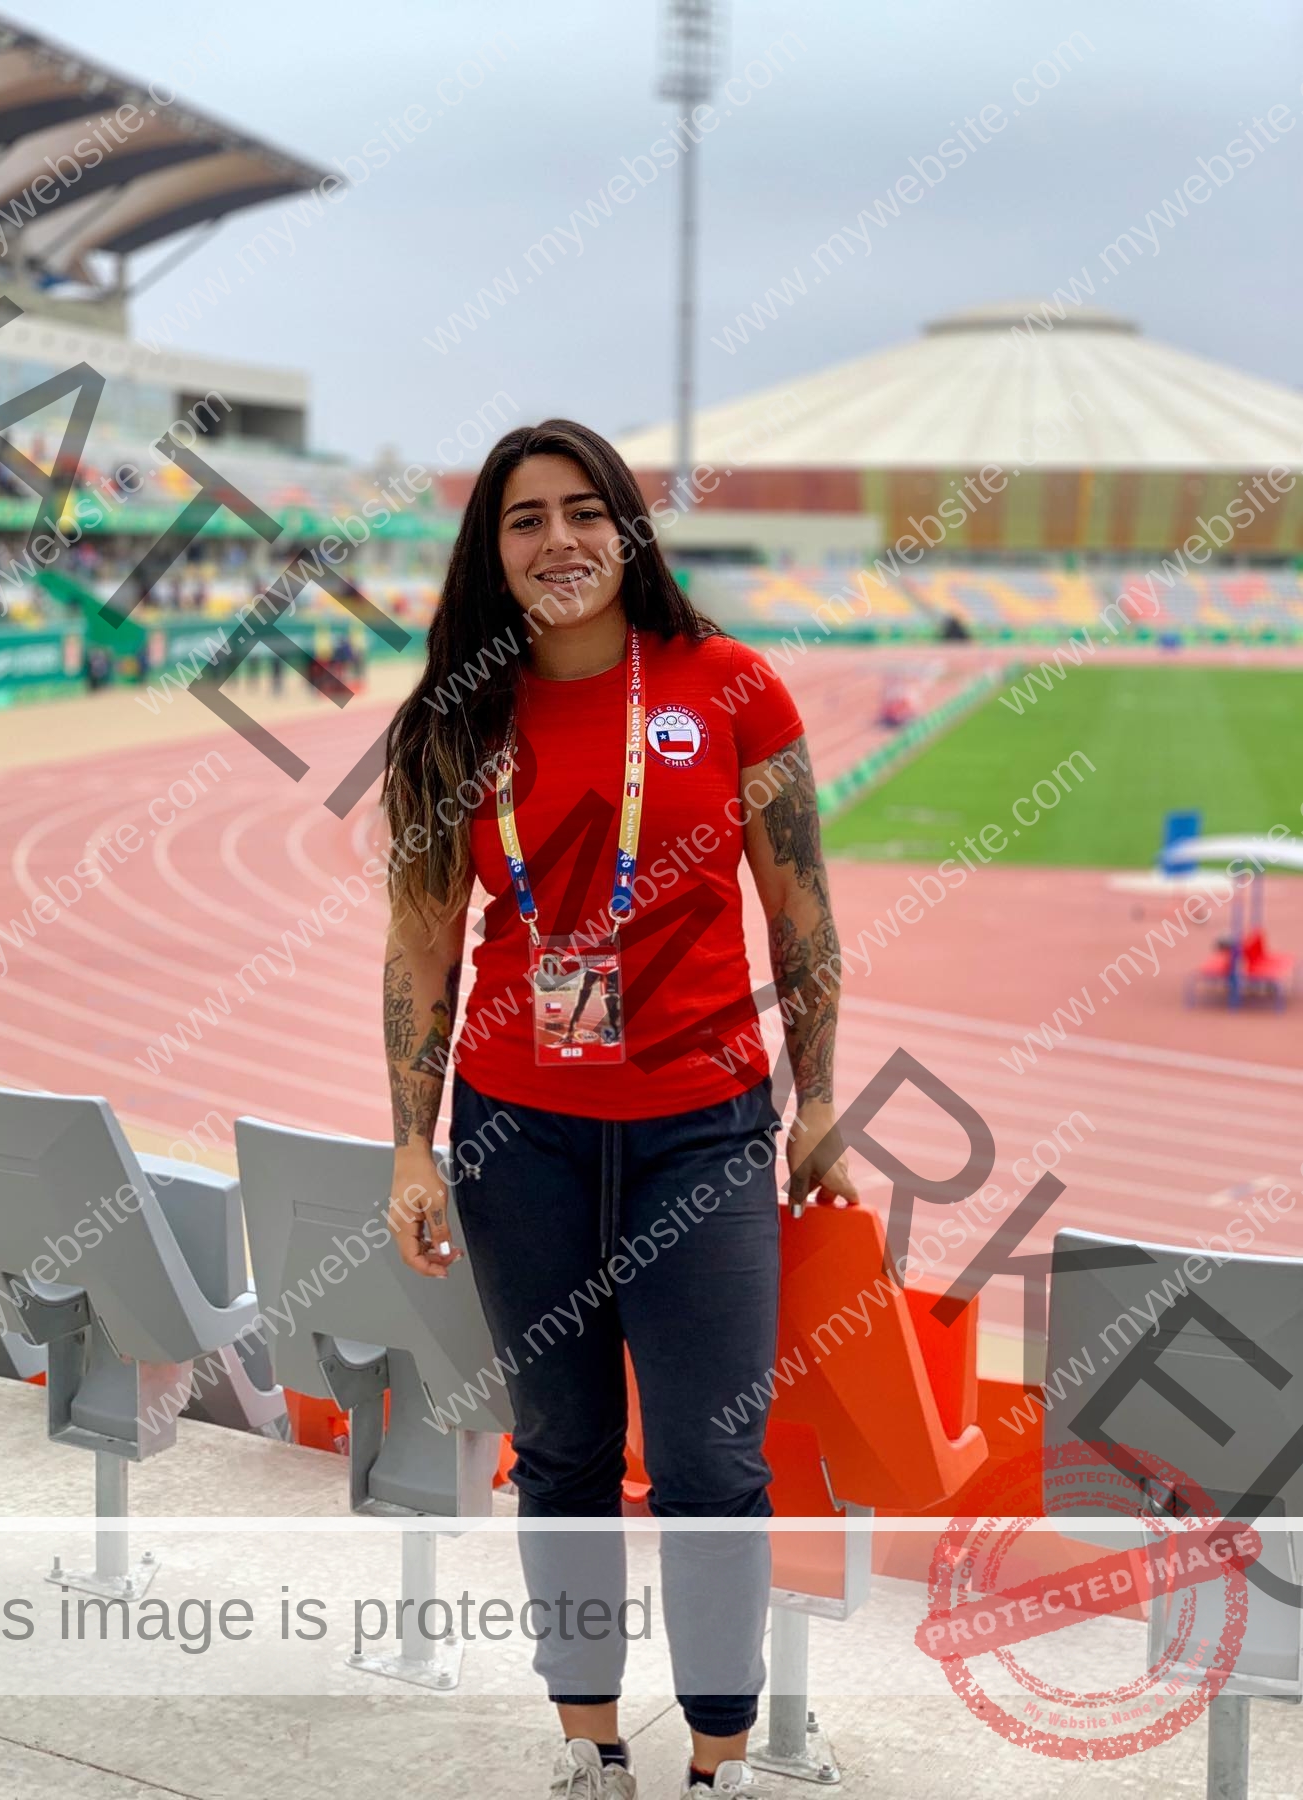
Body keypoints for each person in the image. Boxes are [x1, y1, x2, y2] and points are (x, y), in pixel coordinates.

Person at [380, 419, 857, 1799]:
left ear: (629, 530)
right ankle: (590, 1747)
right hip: (513, 1136)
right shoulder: (448, 722)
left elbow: (803, 914)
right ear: (493, 550)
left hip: (701, 1137)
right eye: (526, 520)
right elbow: (423, 949)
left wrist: (818, 1096)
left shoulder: (731, 688)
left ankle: (717, 1757)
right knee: (565, 1451)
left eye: (586, 511)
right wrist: (414, 1143)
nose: (560, 542)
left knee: (714, 1454)